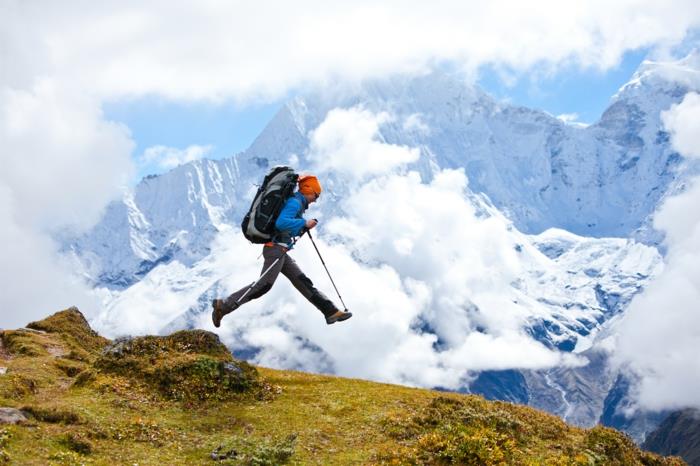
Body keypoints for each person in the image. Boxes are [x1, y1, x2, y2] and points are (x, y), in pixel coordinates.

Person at [212, 174, 352, 327]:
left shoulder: (296, 202)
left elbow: (285, 225)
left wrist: (301, 226)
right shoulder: (295, 202)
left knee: (303, 282)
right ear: (308, 190)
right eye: (316, 195)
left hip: (280, 250)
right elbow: (281, 223)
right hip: (275, 250)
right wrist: (304, 223)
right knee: (264, 285)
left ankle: (331, 312)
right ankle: (223, 306)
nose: (315, 200)